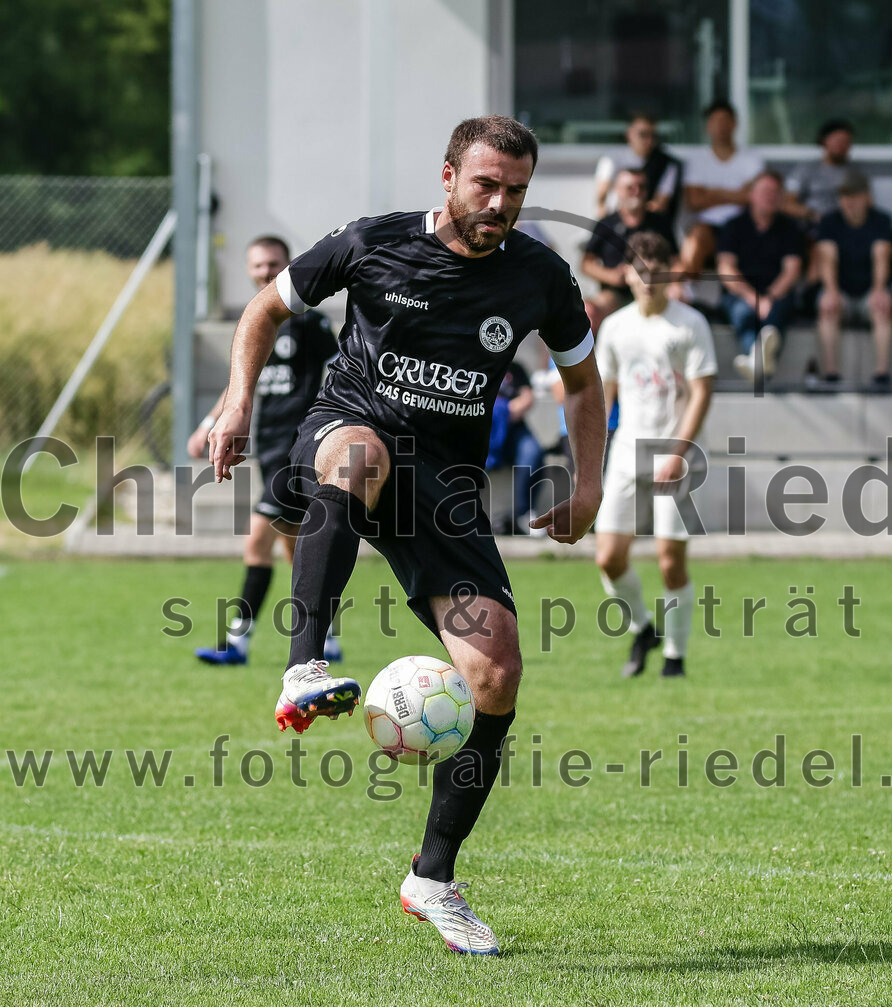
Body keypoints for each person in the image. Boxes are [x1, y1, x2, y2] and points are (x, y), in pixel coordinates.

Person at [206, 116, 605, 956]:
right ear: (450, 174)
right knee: (357, 456)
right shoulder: (370, 243)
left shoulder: (539, 276)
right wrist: (237, 399)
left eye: (517, 191)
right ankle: (304, 662)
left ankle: (432, 877)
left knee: (495, 673)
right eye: (486, 185)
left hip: (446, 489)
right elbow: (262, 311)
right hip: (351, 427)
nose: (500, 204)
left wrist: (590, 480)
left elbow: (581, 380)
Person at [188, 235, 341, 665]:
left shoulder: (308, 323)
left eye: (273, 263)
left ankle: (237, 642)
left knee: (257, 544)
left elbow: (335, 371)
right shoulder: (255, 322)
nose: (265, 271)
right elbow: (240, 385)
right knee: (296, 551)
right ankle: (324, 637)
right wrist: (208, 424)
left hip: (296, 451)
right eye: (257, 265)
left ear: (288, 264)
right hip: (268, 448)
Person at [593, 232, 716, 678]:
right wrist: (593, 453)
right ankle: (644, 628)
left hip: (675, 455)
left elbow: (703, 391)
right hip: (627, 450)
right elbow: (603, 394)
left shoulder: (690, 324)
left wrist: (678, 452)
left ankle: (675, 659)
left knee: (669, 560)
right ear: (627, 274)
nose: (649, 281)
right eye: (641, 272)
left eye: (657, 273)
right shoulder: (615, 327)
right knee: (608, 557)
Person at [716, 171, 803, 382]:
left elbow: (791, 271)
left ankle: (755, 363)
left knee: (775, 314)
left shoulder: (790, 228)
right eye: (765, 191)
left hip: (776, 292)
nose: (770, 196)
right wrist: (753, 298)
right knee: (743, 313)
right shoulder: (733, 225)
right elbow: (726, 269)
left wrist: (769, 298)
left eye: (775, 192)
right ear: (752, 195)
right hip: (741, 293)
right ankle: (762, 364)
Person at [814, 171, 892, 387]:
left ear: (866, 197)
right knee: (826, 305)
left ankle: (882, 373)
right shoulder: (830, 221)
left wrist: (879, 289)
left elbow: (881, 257)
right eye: (844, 196)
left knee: (883, 305)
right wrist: (831, 291)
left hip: (869, 290)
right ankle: (831, 372)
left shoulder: (881, 220)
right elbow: (827, 259)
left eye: (854, 196)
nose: (848, 202)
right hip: (840, 290)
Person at [581, 168, 678, 333]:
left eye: (642, 186)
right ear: (617, 190)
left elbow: (676, 261)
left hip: (654, 289)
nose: (637, 192)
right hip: (615, 294)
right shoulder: (606, 224)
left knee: (678, 300)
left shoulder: (660, 223)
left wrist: (673, 284)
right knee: (588, 312)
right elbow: (586, 264)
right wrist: (611, 276)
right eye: (630, 187)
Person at [681, 100, 764, 277]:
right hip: (710, 227)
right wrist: (738, 193)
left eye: (725, 120)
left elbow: (756, 197)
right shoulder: (697, 160)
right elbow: (694, 201)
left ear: (734, 124)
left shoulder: (752, 159)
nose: (720, 126)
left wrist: (714, 192)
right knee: (695, 240)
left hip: (745, 224)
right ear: (707, 126)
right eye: (715, 121)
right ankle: (685, 294)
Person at [485, 362, 546, 534]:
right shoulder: (474, 361)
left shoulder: (515, 368)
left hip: (513, 428)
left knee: (532, 451)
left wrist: (501, 411)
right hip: (480, 427)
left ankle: (524, 513)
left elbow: (527, 398)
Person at [593, 113, 683, 221]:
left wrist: (634, 216)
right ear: (629, 134)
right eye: (643, 134)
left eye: (653, 136)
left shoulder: (665, 163)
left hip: (646, 225)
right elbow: (601, 199)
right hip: (614, 223)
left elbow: (660, 204)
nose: (649, 140)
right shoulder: (612, 159)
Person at [783, 118, 859, 227]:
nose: (842, 145)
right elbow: (787, 204)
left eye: (846, 142)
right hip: (811, 225)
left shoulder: (855, 172)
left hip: (844, 227)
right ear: (824, 140)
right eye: (838, 141)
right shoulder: (806, 169)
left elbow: (866, 203)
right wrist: (811, 214)